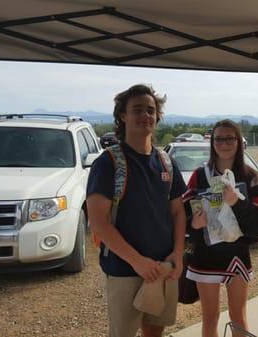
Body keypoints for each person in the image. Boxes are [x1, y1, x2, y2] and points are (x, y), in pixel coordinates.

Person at [86, 84, 187, 337]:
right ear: (123, 115)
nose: (145, 116)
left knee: (155, 332)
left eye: (150, 110)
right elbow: (98, 223)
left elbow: (177, 213)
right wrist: (137, 261)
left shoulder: (166, 162)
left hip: (162, 266)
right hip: (124, 269)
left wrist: (177, 253)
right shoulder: (108, 163)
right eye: (137, 110)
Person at [182, 119, 258, 337]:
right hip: (205, 254)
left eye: (230, 138)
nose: (224, 143)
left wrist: (236, 203)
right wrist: (193, 223)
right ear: (212, 142)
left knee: (238, 315)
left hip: (237, 255)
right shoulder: (199, 175)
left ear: (239, 142)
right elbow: (183, 214)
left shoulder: (251, 176)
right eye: (219, 138)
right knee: (210, 316)